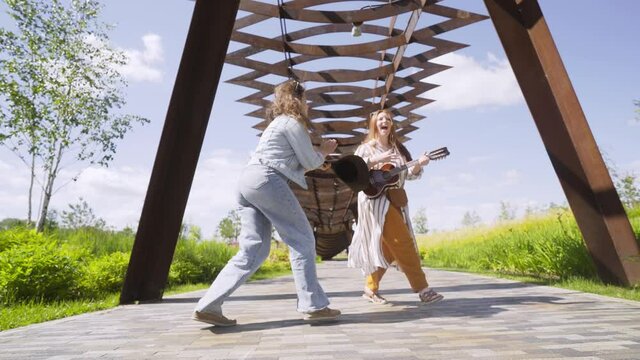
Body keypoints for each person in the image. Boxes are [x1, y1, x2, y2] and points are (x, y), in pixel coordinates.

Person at [193, 79, 341, 326]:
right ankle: (313, 306)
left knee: (254, 249)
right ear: (297, 100)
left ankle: (208, 305)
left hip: (248, 181)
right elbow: (309, 160)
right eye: (306, 101)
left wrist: (315, 159)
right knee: (302, 239)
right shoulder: (292, 122)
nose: (308, 106)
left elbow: (292, 163)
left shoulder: (275, 124)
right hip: (266, 180)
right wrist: (324, 151)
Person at [347, 109, 443, 305]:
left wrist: (419, 165)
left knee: (389, 250)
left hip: (397, 199)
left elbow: (410, 175)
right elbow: (355, 170)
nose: (385, 121)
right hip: (375, 202)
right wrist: (376, 160)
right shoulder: (366, 148)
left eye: (388, 119)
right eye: (381, 119)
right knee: (403, 242)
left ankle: (370, 288)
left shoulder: (399, 150)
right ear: (374, 124)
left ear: (391, 125)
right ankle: (423, 289)